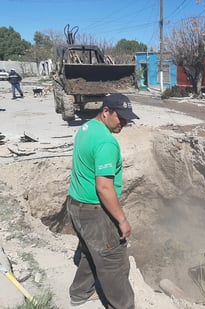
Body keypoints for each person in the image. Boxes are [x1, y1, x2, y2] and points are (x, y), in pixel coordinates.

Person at [66, 93, 139, 308]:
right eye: (121, 118)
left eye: (127, 118)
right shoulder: (107, 142)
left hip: (75, 206)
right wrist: (122, 220)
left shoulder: (87, 128)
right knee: (114, 263)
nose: (124, 123)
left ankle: (79, 294)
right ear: (105, 111)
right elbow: (104, 187)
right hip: (95, 212)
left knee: (90, 250)